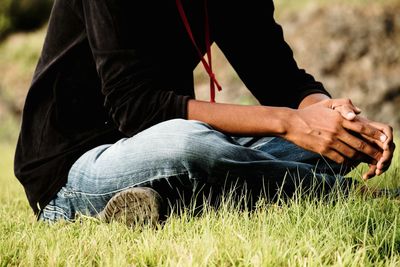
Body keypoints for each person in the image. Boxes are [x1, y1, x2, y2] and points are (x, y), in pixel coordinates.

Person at [14, 0, 395, 226]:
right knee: (191, 142)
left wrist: (331, 117)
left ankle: (171, 198)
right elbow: (136, 108)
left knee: (324, 145)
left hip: (166, 145)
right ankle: (337, 193)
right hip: (73, 169)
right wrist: (293, 122)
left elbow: (284, 82)